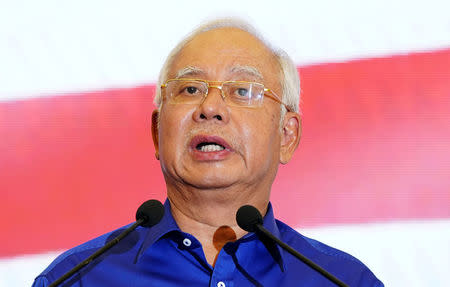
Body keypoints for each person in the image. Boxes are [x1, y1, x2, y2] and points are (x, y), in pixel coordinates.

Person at [33, 19, 383, 287]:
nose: (210, 108)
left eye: (243, 90)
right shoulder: (77, 278)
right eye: (190, 88)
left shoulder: (342, 280)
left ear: (287, 135)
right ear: (157, 132)